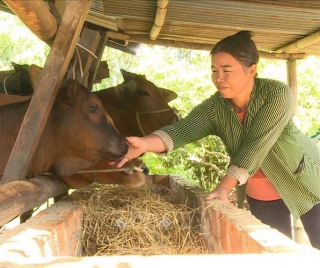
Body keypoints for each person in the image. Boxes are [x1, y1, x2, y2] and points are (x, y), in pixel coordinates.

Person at [115, 30, 320, 250]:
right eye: (214, 70)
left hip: (305, 180)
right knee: (276, 255)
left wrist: (224, 187)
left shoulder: (276, 93)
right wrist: (145, 143)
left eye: (226, 70)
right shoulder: (215, 107)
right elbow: (183, 130)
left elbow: (257, 143)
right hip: (260, 192)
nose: (218, 78)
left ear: (251, 70)